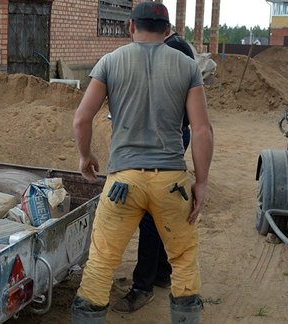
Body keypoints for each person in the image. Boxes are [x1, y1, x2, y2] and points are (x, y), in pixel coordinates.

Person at [70, 2, 213, 324]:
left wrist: (85, 156)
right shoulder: (187, 65)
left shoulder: (110, 62)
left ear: (131, 27)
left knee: (102, 262)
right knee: (184, 259)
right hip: (171, 182)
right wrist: (201, 182)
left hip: (123, 181)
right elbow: (202, 129)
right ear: (167, 30)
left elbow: (81, 119)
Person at [111, 29, 196, 314]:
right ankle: (160, 273)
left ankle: (142, 286)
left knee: (149, 212)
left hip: (162, 142)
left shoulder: (173, 52)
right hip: (166, 138)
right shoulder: (177, 48)